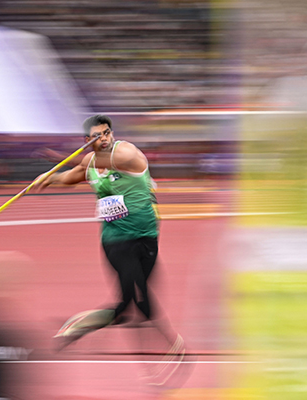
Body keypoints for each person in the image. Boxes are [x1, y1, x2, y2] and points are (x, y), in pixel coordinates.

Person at [33, 114, 185, 384]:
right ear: (86, 140)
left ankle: (79, 325)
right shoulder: (89, 164)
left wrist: (62, 157)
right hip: (116, 241)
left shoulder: (127, 152)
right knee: (140, 299)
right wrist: (48, 178)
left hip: (147, 237)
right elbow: (70, 176)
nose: (104, 139)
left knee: (127, 305)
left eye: (106, 133)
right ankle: (172, 351)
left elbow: (103, 160)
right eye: (96, 136)